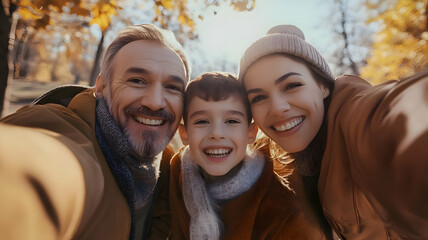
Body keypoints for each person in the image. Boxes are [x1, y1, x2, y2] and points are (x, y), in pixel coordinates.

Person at [0, 23, 191, 240]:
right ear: (101, 87)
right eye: (137, 81)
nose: (155, 102)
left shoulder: (175, 178)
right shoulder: (60, 133)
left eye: (173, 87)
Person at [237, 24, 428, 239]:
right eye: (259, 98)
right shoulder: (283, 163)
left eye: (292, 85)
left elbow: (403, 118)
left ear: (323, 86)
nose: (277, 108)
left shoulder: (357, 118)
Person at [168, 72, 326, 240]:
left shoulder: (285, 214)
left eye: (232, 121)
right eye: (202, 121)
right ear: (184, 134)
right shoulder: (178, 168)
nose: (216, 134)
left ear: (251, 133)